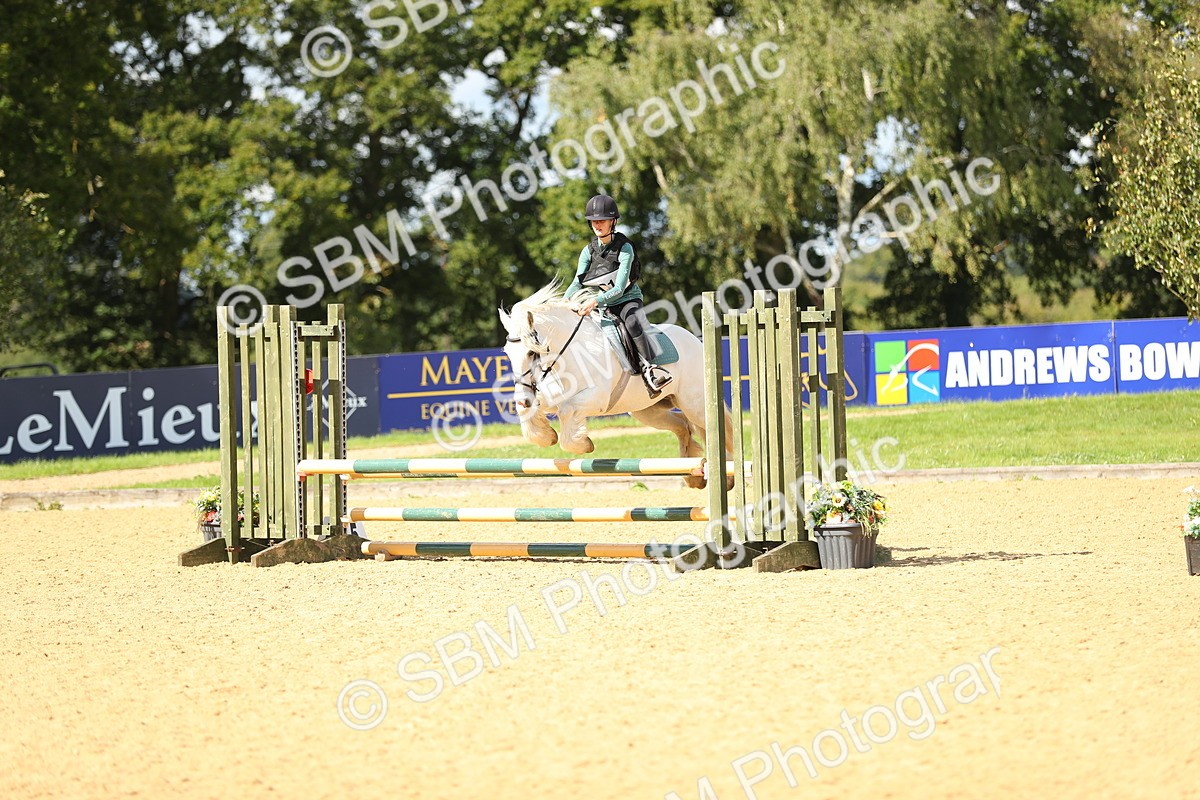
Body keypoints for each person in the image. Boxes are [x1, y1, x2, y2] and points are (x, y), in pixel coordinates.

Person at [566, 194, 673, 398]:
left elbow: (620, 289)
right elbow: (577, 282)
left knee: (632, 322)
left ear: (612, 222)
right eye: (594, 221)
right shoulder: (588, 252)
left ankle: (651, 370)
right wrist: (564, 301)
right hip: (603, 306)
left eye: (602, 220)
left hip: (627, 300)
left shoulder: (625, 248)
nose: (597, 224)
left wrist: (593, 301)